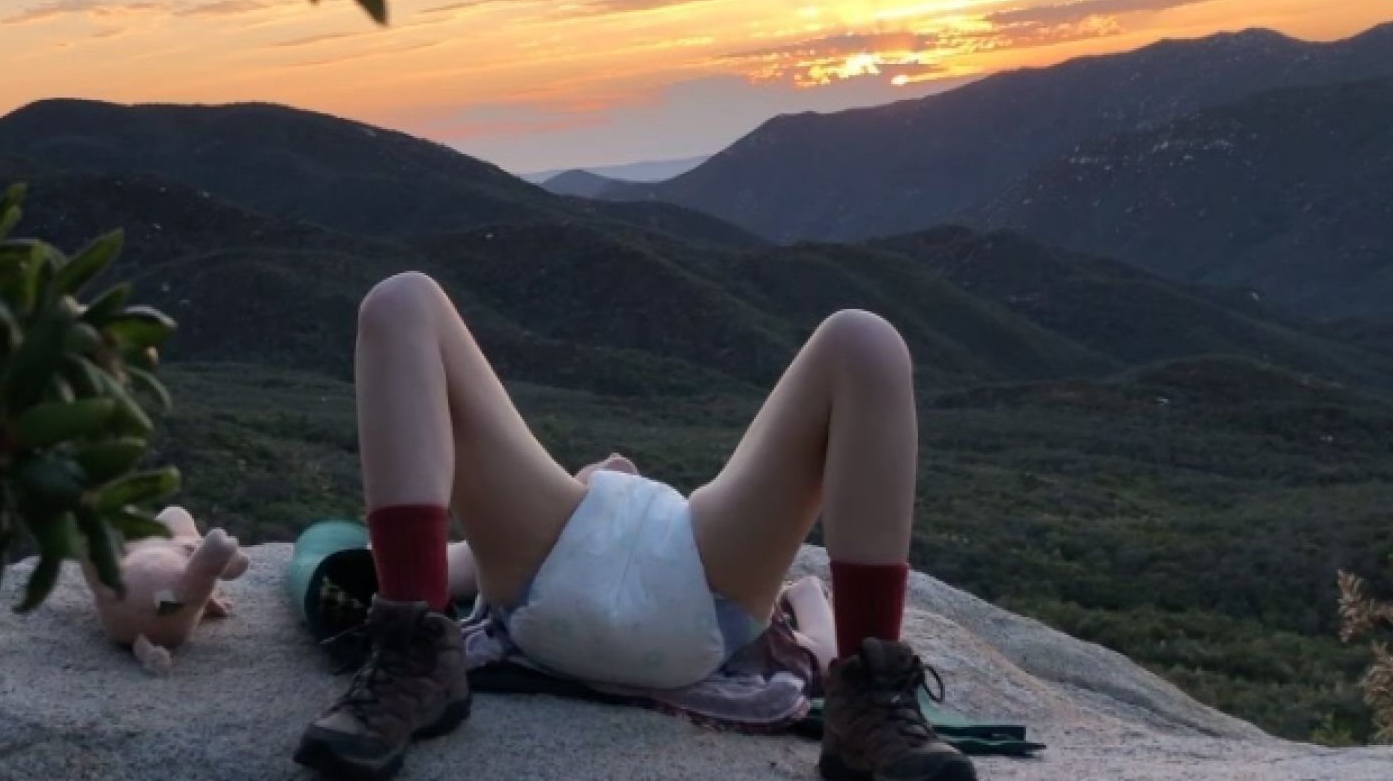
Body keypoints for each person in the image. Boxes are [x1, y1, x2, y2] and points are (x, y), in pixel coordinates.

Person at [294, 272, 975, 781]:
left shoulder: (618, 504)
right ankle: (414, 655)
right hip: (632, 572)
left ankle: (874, 694)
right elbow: (459, 565)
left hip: (686, 564)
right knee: (398, 299)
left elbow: (462, 561)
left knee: (867, 338)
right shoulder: (566, 506)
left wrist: (807, 599)